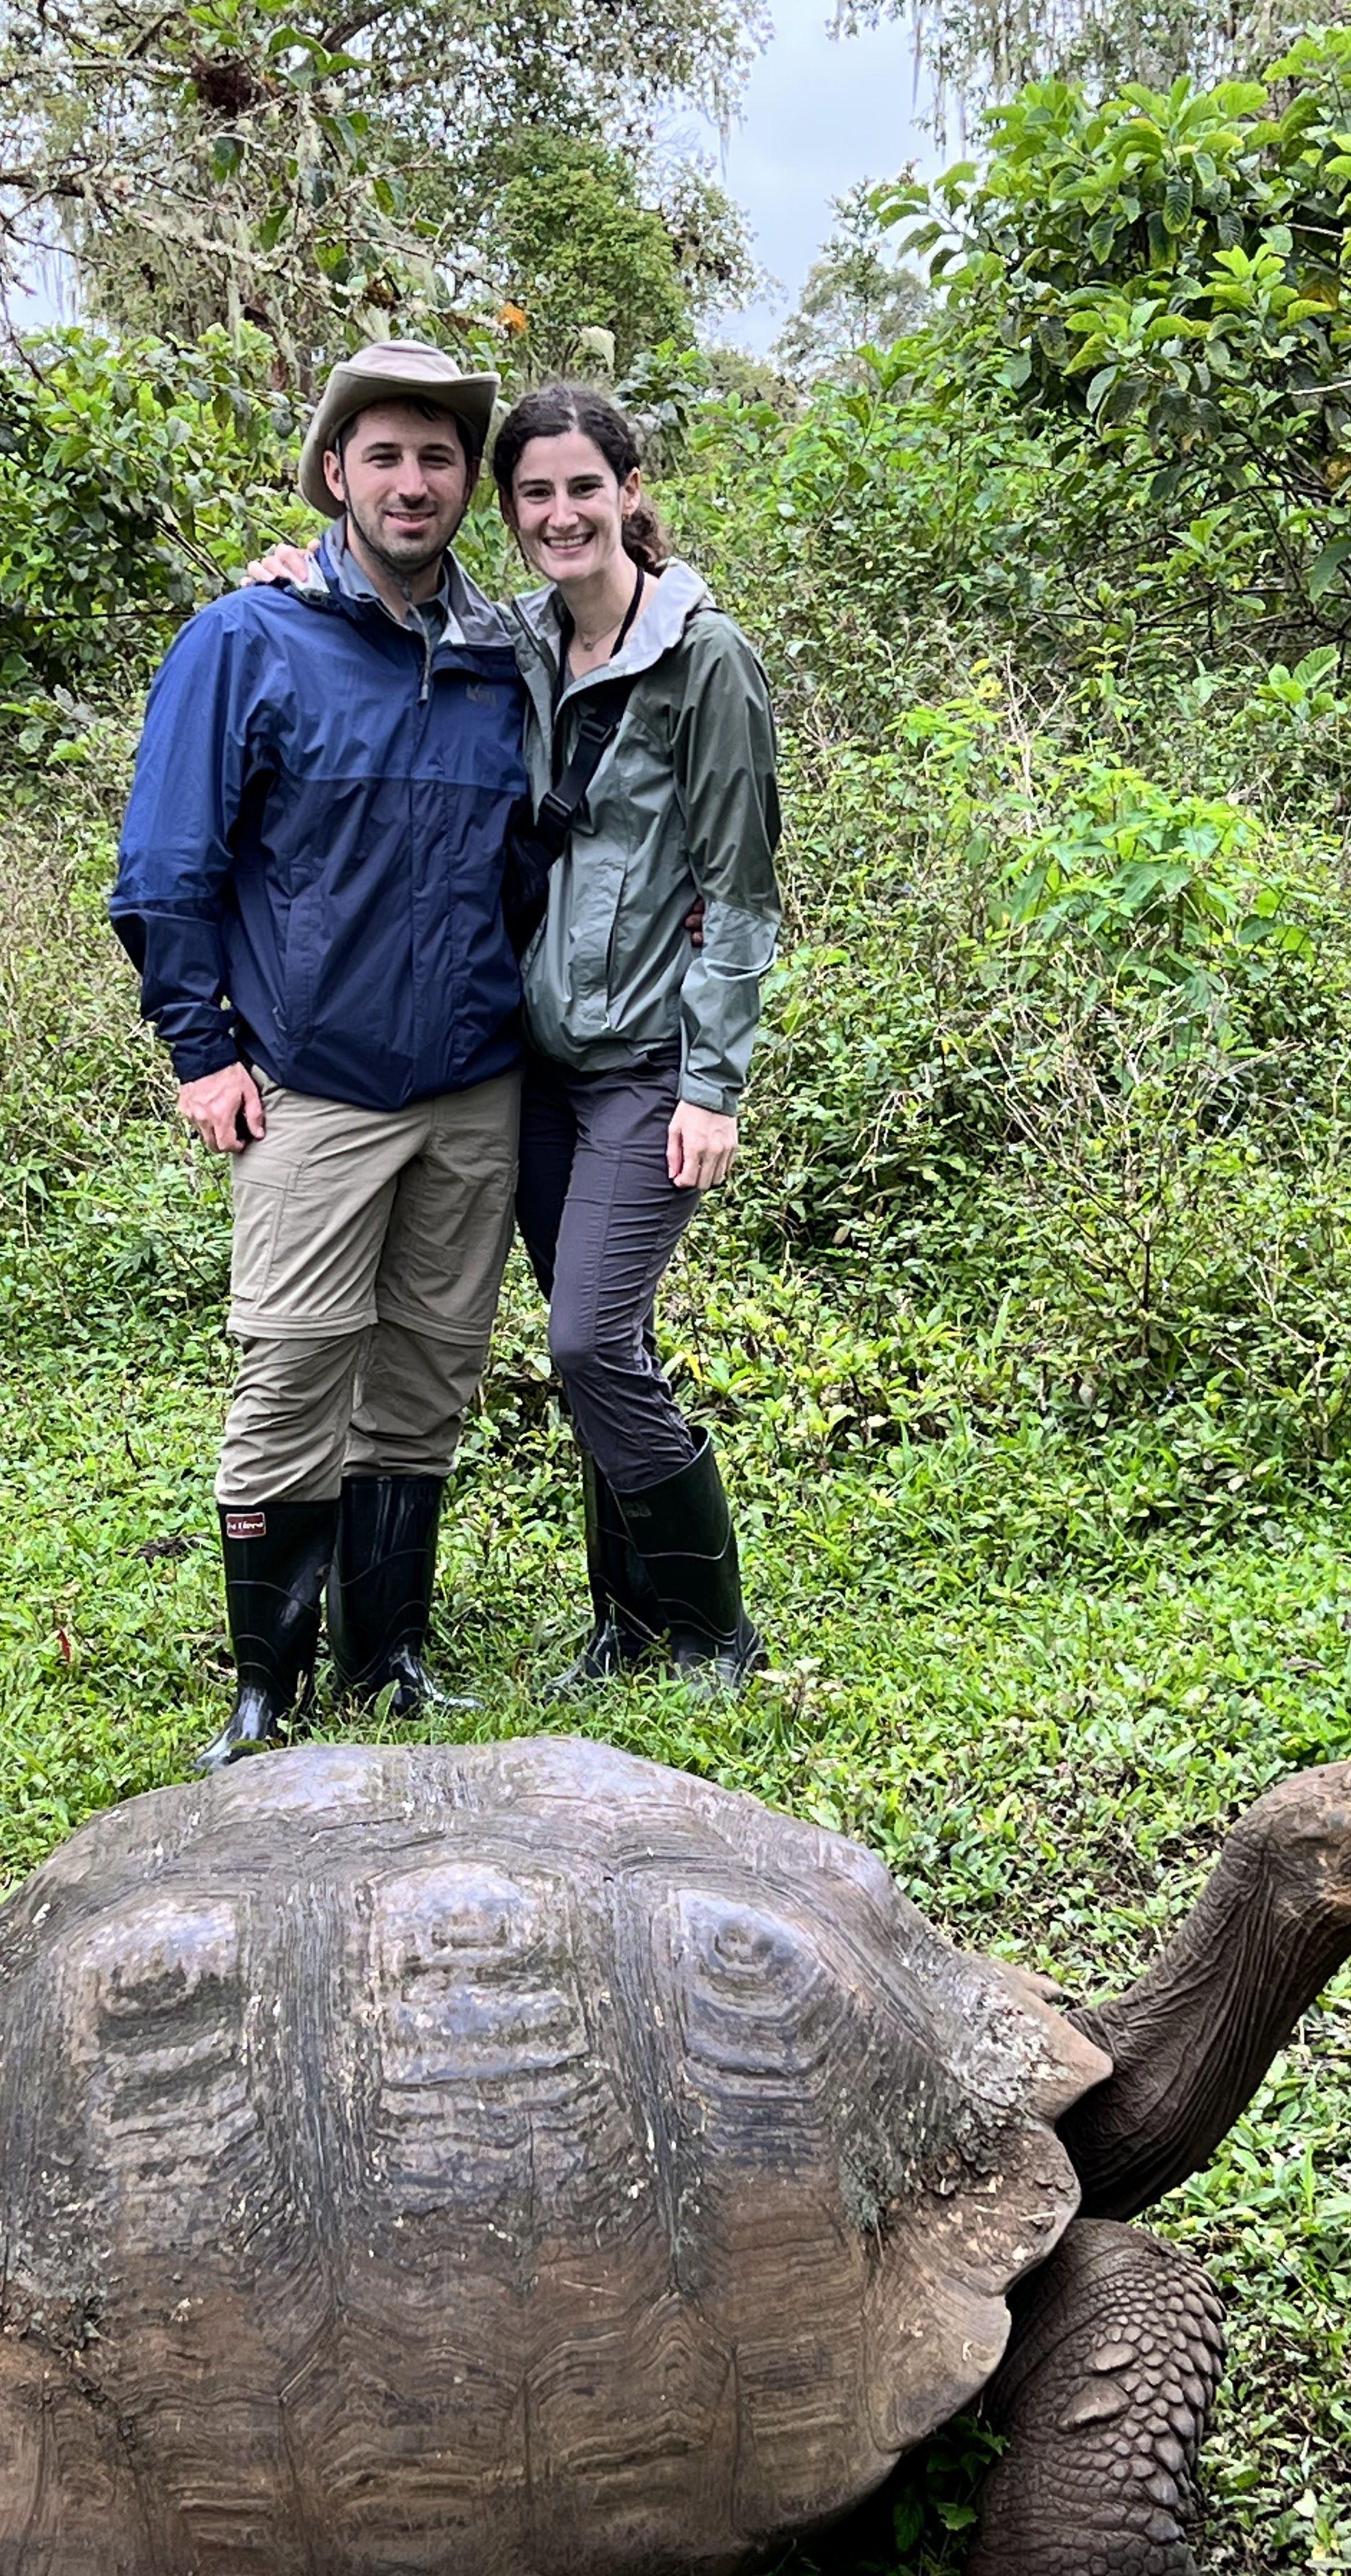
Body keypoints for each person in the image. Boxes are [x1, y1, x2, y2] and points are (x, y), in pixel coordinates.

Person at [242, 379, 785, 1687]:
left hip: (648, 1061)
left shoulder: (705, 659)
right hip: (532, 1058)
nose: (559, 515)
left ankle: (717, 1632)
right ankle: (628, 1622)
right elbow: (382, 616)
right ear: (512, 509)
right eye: (534, 493)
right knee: (610, 1347)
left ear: (631, 492)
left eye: (583, 489)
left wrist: (713, 1085)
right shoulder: (519, 643)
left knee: (590, 1342)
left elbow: (742, 892)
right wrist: (293, 576)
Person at [107, 339, 532, 1769]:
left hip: (471, 1081)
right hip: (310, 1083)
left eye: (440, 457)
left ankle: (392, 1655)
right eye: (387, 455)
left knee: (426, 1374)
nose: (415, 482)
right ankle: (265, 1686)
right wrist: (200, 1047)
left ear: (470, 480)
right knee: (291, 1370)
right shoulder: (248, 641)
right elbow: (167, 863)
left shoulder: (501, 656)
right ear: (334, 473)